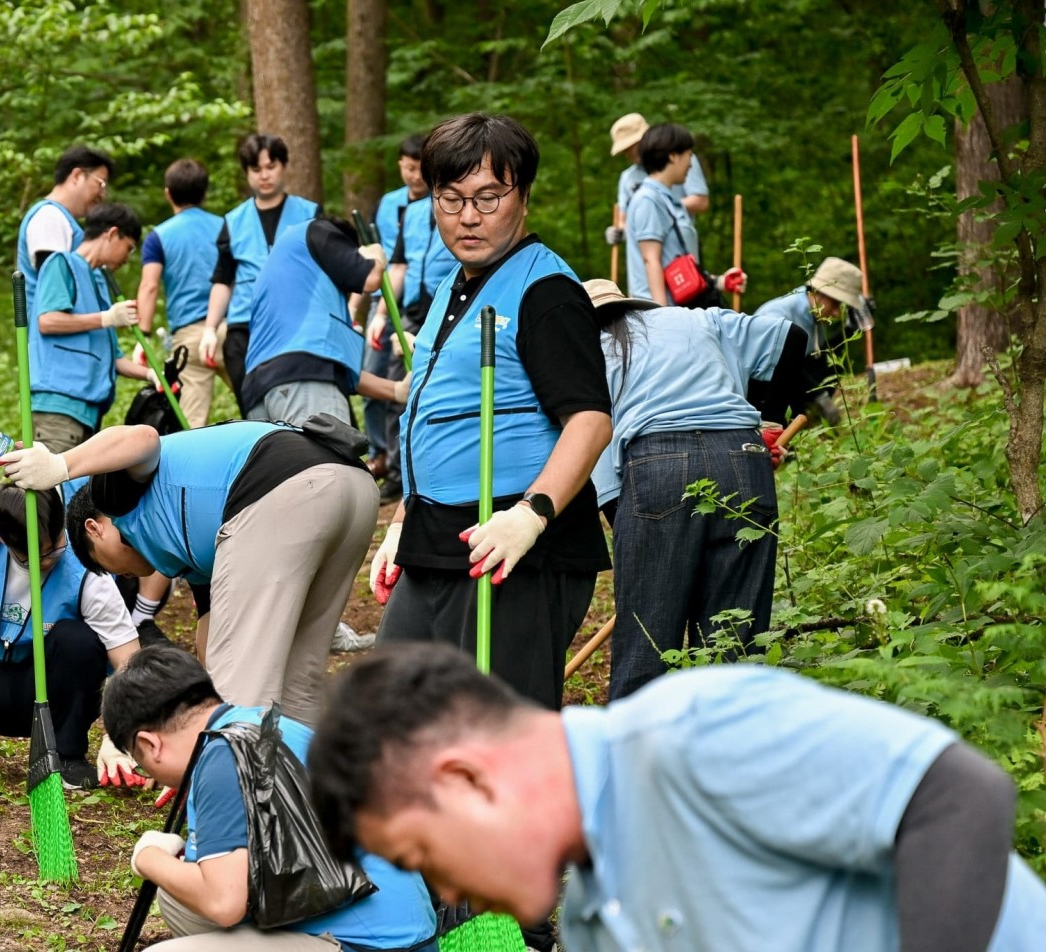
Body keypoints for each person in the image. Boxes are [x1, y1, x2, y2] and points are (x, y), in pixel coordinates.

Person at [307, 644, 1046, 952]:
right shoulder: (597, 923)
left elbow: (956, 796)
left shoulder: (688, 736)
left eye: (423, 857)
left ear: (465, 779)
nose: (445, 889)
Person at [369, 114, 612, 712]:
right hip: (436, 536)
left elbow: (590, 419)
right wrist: (405, 517)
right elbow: (437, 410)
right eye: (450, 200)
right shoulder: (457, 283)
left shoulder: (545, 291)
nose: (468, 217)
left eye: (487, 197)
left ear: (522, 196)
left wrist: (529, 515)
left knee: (496, 736)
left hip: (511, 547)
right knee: (393, 719)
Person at [0, 420, 376, 726]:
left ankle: (231, 803)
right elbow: (213, 637)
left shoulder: (113, 500)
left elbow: (142, 437)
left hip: (280, 489)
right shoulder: (193, 550)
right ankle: (304, 798)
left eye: (113, 568)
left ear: (95, 530)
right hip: (353, 490)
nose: (129, 574)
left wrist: (59, 468)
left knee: (242, 693)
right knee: (299, 676)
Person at [102, 645, 438, 952]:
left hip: (372, 945)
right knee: (178, 897)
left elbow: (224, 903)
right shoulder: (257, 725)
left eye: (142, 763)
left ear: (149, 744)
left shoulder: (221, 760)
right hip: (402, 929)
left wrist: (147, 858)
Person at [583, 279, 812, 698]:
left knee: (647, 643)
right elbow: (791, 337)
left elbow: (601, 465)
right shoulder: (700, 319)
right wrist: (768, 421)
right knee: (734, 642)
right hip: (743, 457)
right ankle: (725, 752)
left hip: (657, 463)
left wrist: (638, 536)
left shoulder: (589, 353)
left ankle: (633, 754)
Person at [0, 481, 148, 789]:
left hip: (48, 694)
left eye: (56, 547)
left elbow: (130, 661)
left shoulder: (88, 571)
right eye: (34, 557)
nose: (49, 560)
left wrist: (119, 736)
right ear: (1, 538)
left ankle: (67, 756)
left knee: (78, 639)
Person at [365, 136, 461, 502]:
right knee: (396, 387)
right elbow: (399, 267)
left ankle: (442, 469)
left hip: (450, 309)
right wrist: (379, 315)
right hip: (411, 313)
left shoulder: (463, 211)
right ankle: (397, 471)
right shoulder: (415, 213)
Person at [243, 215, 406, 424]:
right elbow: (371, 277)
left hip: (259, 394)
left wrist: (397, 390)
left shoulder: (289, 288)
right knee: (326, 456)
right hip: (301, 384)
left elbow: (339, 370)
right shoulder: (318, 231)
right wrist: (375, 259)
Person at [198, 134, 320, 414]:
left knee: (296, 408)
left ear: (284, 166)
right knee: (255, 411)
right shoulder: (234, 220)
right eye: (256, 169)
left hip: (295, 326)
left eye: (270, 167)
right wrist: (209, 329)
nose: (264, 175)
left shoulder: (309, 213)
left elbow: (325, 272)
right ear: (247, 174)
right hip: (244, 329)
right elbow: (222, 280)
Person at [29, 202, 153, 451]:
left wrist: (150, 375)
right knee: (52, 488)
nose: (127, 258)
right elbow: (48, 320)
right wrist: (106, 318)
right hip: (59, 406)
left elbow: (112, 357)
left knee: (78, 490)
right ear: (112, 234)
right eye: (127, 248)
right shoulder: (61, 264)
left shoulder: (98, 283)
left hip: (89, 413)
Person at [136, 159, 227, 429]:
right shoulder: (226, 227)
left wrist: (144, 334)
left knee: (192, 427)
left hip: (188, 341)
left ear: (168, 193)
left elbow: (149, 286)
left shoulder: (158, 236)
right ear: (204, 192)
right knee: (258, 405)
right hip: (228, 330)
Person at [362, 135, 428, 481]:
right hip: (388, 300)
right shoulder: (392, 205)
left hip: (426, 308)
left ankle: (413, 465)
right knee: (380, 378)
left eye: (420, 169)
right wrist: (380, 312)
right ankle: (384, 459)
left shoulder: (444, 207)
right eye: (408, 167)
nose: (414, 176)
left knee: (412, 384)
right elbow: (390, 262)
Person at [624, 123, 744, 307]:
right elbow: (651, 260)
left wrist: (719, 282)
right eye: (689, 154)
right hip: (662, 318)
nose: (691, 162)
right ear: (673, 156)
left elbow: (674, 265)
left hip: (681, 312)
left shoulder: (667, 200)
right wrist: (661, 318)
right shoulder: (648, 200)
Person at [752, 256, 871, 424]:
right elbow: (780, 365)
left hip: (788, 385)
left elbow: (824, 359)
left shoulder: (815, 317)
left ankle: (810, 417)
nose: (837, 313)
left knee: (832, 361)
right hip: (761, 395)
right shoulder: (778, 316)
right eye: (836, 304)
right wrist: (821, 397)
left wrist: (851, 329)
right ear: (819, 292)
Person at [16, 145, 114, 304]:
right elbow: (54, 294)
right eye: (101, 184)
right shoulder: (49, 217)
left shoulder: (62, 219)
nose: (103, 195)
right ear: (77, 175)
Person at [603, 112, 709, 253]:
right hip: (643, 254)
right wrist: (618, 233)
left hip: (680, 248)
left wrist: (659, 205)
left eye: (632, 146)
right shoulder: (627, 177)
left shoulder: (680, 160)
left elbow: (701, 201)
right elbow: (624, 220)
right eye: (625, 150)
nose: (629, 153)